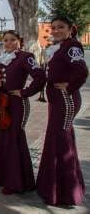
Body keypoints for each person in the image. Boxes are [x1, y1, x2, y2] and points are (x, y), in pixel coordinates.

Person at [36, 16, 88, 206]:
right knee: (56, 140)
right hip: (57, 101)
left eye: (61, 27)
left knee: (63, 142)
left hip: (66, 100)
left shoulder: (72, 46)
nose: (56, 30)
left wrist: (70, 86)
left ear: (70, 28)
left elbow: (82, 71)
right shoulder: (59, 48)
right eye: (53, 28)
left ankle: (68, 194)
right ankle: (53, 189)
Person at [0, 30, 45, 195]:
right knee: (1, 137)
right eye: (5, 40)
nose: (8, 43)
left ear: (19, 41)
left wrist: (25, 92)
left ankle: (16, 182)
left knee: (14, 137)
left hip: (16, 103)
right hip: (0, 102)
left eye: (12, 40)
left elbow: (40, 77)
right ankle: (0, 176)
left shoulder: (25, 57)